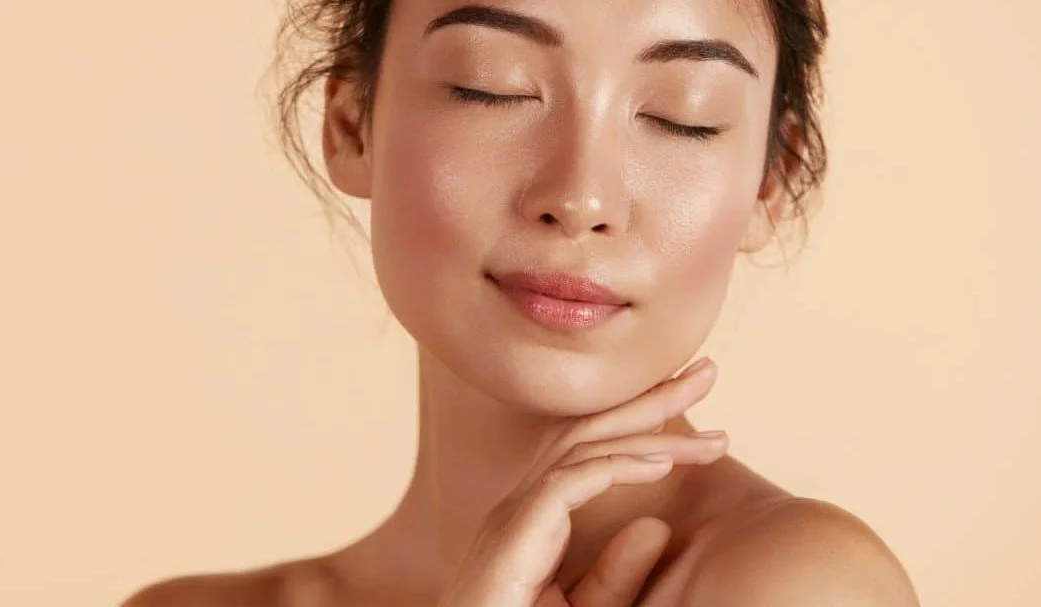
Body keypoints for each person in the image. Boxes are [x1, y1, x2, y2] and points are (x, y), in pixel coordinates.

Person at [125, 1, 920, 605]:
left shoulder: (796, 584)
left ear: (768, 183)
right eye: (490, 88)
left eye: (683, 115)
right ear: (352, 125)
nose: (580, 196)